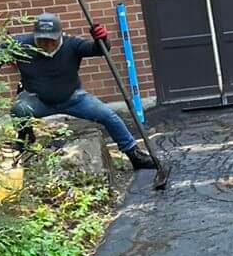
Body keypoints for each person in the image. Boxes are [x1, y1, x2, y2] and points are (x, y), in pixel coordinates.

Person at [10, 12, 157, 169]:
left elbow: (99, 50)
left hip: (73, 99)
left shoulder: (72, 44)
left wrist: (101, 39)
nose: (46, 44)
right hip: (38, 100)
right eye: (42, 40)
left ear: (59, 35)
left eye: (50, 40)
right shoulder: (20, 45)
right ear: (35, 36)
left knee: (108, 116)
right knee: (19, 109)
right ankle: (26, 139)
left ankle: (134, 155)